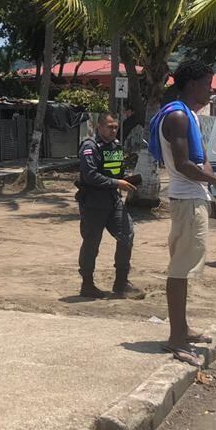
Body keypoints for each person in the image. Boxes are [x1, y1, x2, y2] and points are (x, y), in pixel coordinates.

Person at [147, 59, 216, 365]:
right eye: (207, 84)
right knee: (180, 270)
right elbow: (184, 165)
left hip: (195, 198)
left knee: (184, 268)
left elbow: (201, 159)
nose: (210, 90)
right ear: (192, 84)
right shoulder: (178, 116)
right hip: (185, 201)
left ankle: (183, 329)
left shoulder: (190, 115)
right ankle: (176, 339)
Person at [75, 111, 142, 299]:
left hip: (113, 202)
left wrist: (127, 181)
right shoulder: (90, 146)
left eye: (116, 127)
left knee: (126, 236)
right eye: (109, 127)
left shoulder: (116, 146)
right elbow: (90, 175)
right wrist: (117, 183)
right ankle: (87, 284)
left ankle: (121, 283)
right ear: (99, 127)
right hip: (93, 204)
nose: (113, 130)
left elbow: (116, 173)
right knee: (91, 243)